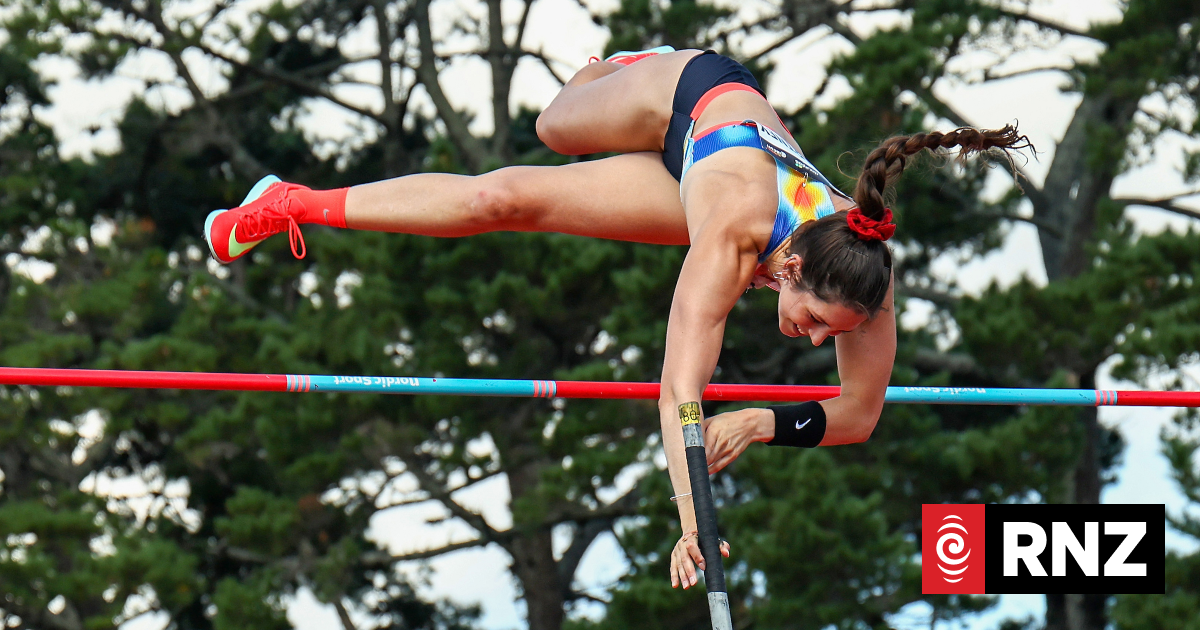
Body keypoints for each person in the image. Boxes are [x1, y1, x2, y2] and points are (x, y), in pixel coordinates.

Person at [203, 47, 1028, 592]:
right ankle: (612, 63)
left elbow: (860, 415)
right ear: (792, 268)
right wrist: (690, 517)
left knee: (507, 202)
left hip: (706, 173)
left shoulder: (867, 283)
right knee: (550, 132)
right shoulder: (733, 238)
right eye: (814, 318)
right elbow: (678, 390)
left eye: (830, 333)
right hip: (693, 101)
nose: (816, 338)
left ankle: (287, 202)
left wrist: (764, 423)